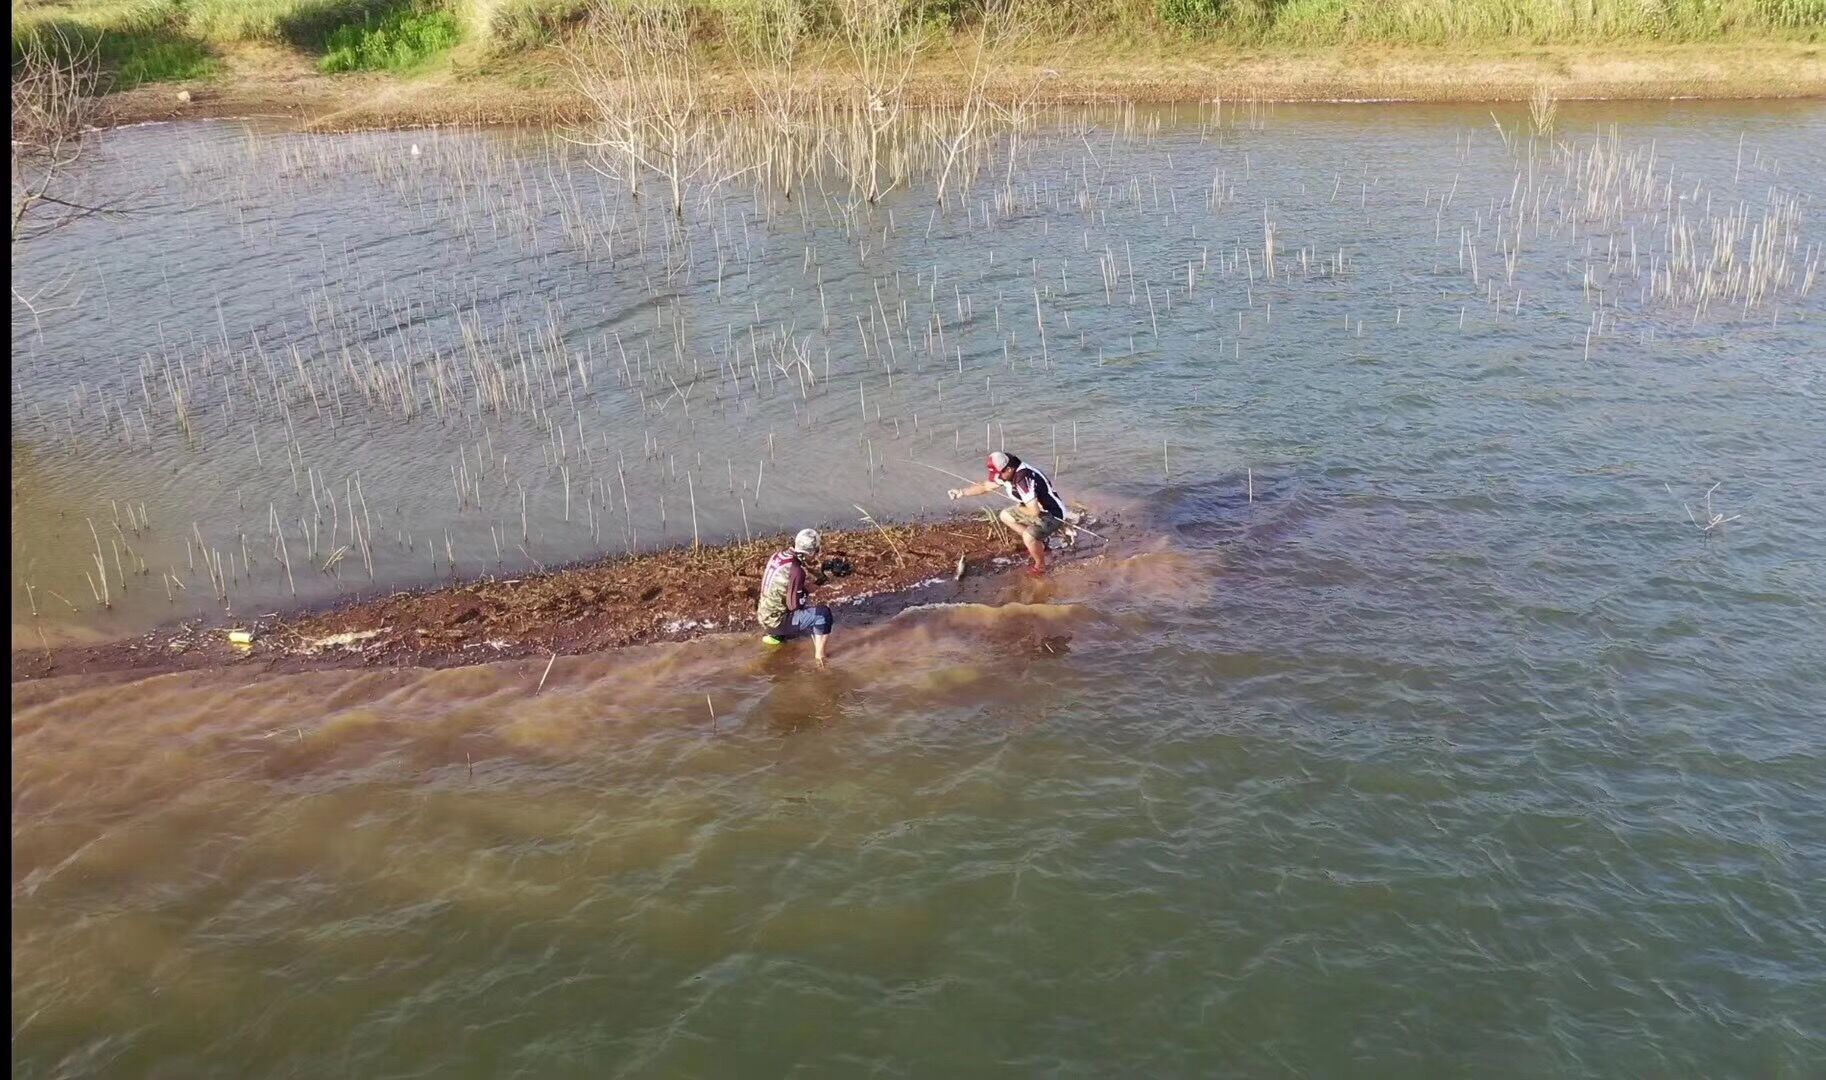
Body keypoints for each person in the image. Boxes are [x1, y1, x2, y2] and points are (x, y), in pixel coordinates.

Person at [948, 451, 1066, 576]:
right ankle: (1040, 545)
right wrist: (962, 492)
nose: (999, 477)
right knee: (1005, 515)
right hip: (1030, 508)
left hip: (1052, 514)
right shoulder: (1006, 472)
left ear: (1009, 468)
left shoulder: (1023, 479)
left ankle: (1040, 566)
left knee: (1028, 536)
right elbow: (985, 486)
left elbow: (1034, 511)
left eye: (1000, 473)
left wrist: (1021, 509)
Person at [756, 528, 833, 664]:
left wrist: (819, 581)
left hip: (763, 614)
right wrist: (806, 594)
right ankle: (820, 658)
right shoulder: (796, 571)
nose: (816, 556)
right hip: (775, 622)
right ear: (810, 552)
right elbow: (794, 605)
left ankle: (776, 637)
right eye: (816, 552)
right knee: (823, 614)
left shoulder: (779, 556)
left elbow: (788, 587)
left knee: (802, 600)